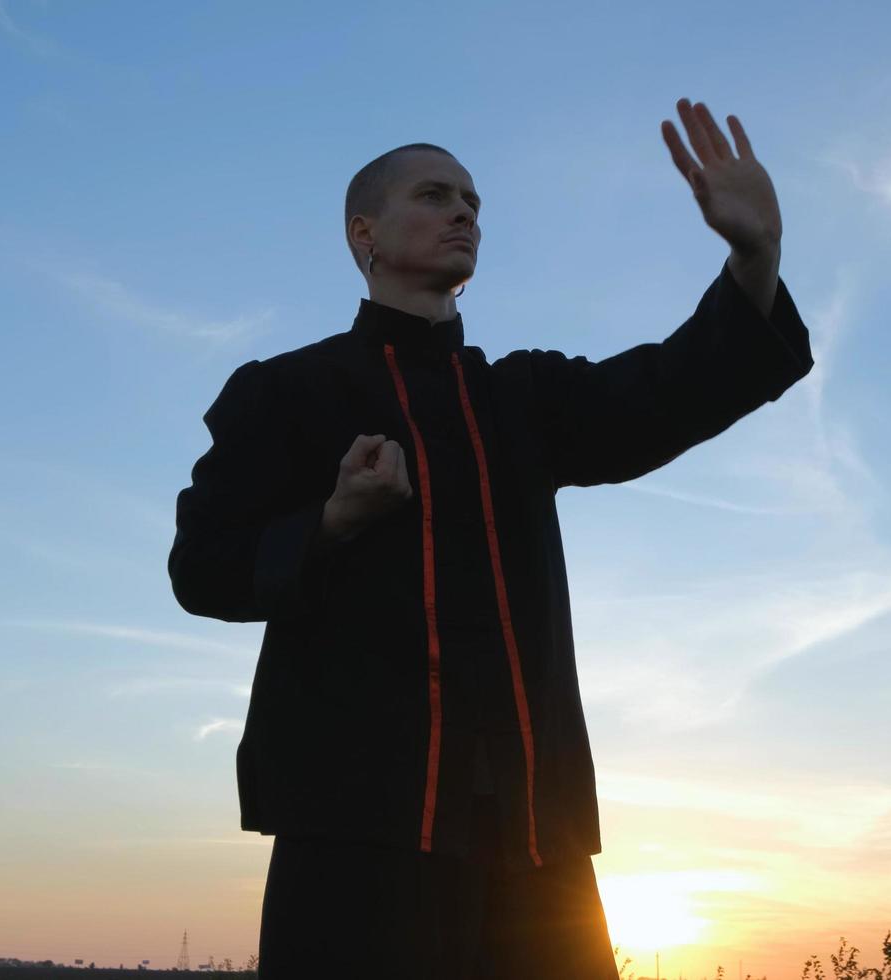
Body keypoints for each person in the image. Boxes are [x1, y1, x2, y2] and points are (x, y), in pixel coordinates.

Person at [167, 97, 814, 979]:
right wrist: (332, 521)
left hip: (534, 840)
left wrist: (754, 253)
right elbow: (202, 570)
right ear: (363, 233)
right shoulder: (284, 393)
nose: (464, 212)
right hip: (357, 835)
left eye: (472, 202)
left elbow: (674, 386)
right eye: (434, 195)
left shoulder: (524, 399)